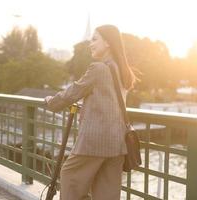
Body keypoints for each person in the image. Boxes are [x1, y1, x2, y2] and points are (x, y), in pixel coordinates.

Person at [44, 24, 136, 200]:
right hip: (117, 143)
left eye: (95, 39)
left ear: (108, 43)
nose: (90, 44)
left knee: (70, 176)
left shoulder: (99, 68)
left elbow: (73, 92)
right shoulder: (122, 70)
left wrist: (51, 102)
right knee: (106, 194)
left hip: (95, 140)